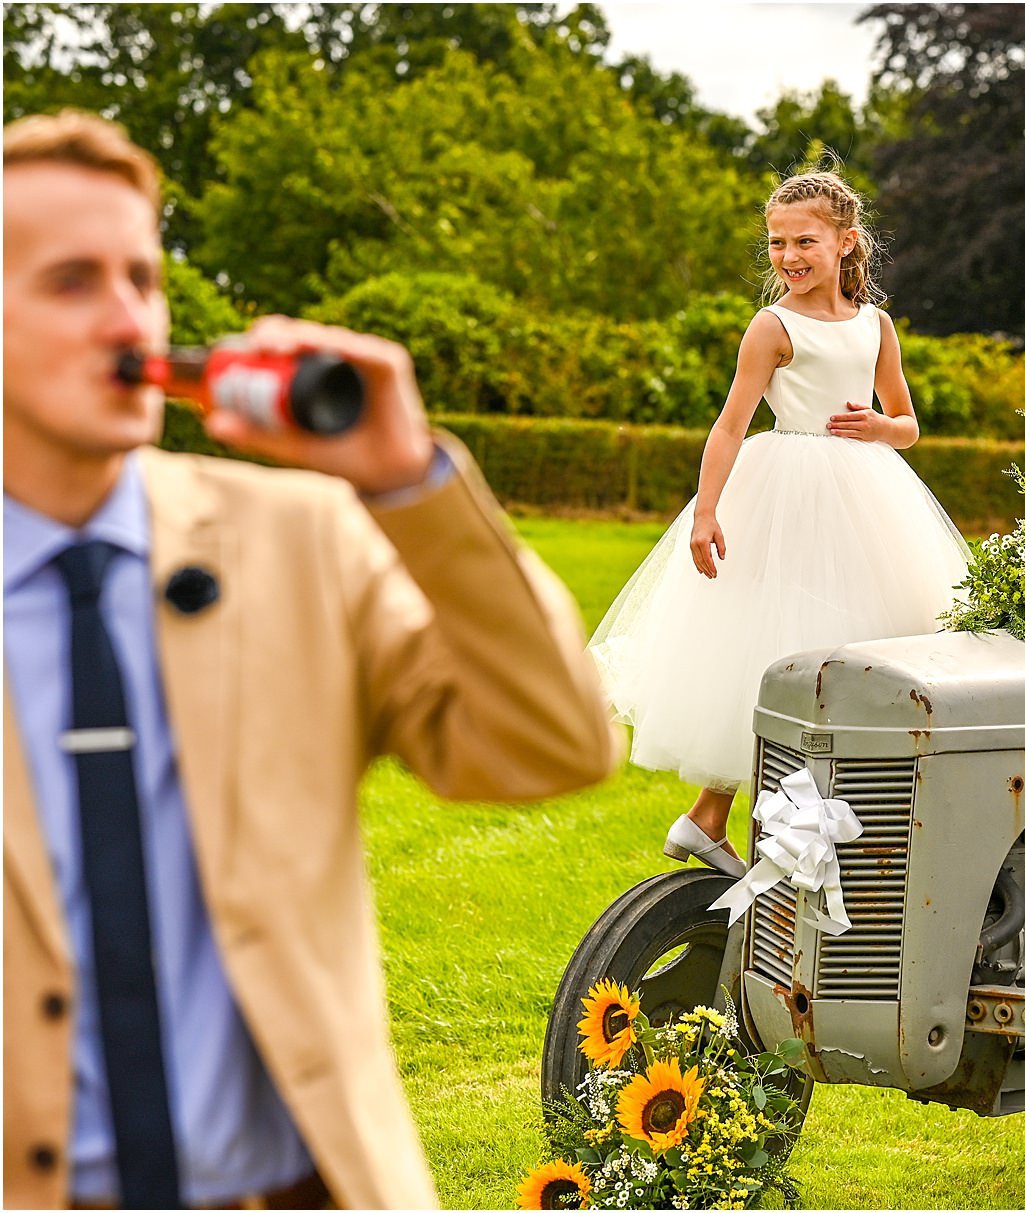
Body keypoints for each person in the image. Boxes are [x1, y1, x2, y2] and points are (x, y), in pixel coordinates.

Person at [3, 111, 623, 1209]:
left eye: (142, 277)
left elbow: (553, 744)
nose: (128, 317)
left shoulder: (303, 537)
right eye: (71, 282)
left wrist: (409, 487)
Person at [588, 169, 969, 877]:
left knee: (864, 644)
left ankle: (719, 819)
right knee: (778, 643)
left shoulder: (875, 326)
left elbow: (909, 424)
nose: (789, 255)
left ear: (845, 242)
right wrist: (706, 510)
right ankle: (774, 825)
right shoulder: (772, 327)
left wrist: (880, 425)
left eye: (805, 240)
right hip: (785, 490)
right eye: (776, 241)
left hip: (868, 495)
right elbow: (730, 426)